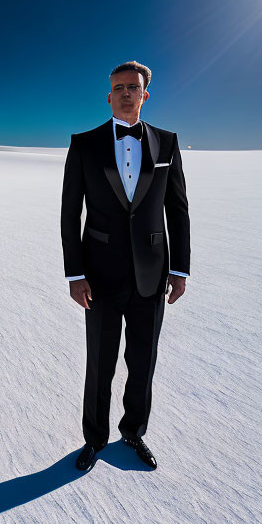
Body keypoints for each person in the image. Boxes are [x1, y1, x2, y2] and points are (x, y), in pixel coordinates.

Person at [60, 61, 191, 472]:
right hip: (98, 275)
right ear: (109, 95)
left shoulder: (167, 143)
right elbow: (69, 213)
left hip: (153, 273)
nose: (126, 93)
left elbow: (178, 210)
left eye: (133, 87)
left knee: (143, 359)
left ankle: (133, 432)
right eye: (118, 87)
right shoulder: (84, 144)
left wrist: (180, 270)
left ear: (145, 94)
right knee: (100, 362)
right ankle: (94, 438)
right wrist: (75, 274)